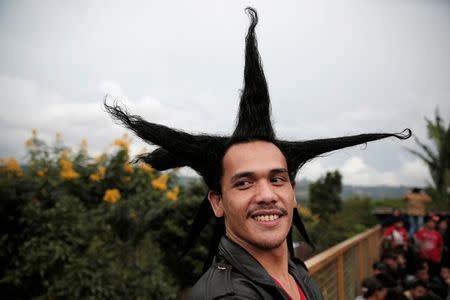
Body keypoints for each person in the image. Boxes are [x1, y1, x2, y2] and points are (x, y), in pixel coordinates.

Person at [105, 7, 411, 299]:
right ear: (217, 202)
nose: (267, 194)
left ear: (293, 193)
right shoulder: (229, 295)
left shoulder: (297, 274)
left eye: (277, 179)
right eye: (244, 182)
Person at [415, 214, 444, 279]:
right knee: (423, 274)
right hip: (423, 258)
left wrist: (440, 256)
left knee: (433, 275)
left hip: (435, 259)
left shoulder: (438, 234)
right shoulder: (420, 232)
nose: (432, 224)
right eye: (430, 222)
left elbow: (440, 245)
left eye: (434, 223)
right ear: (427, 223)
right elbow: (417, 243)